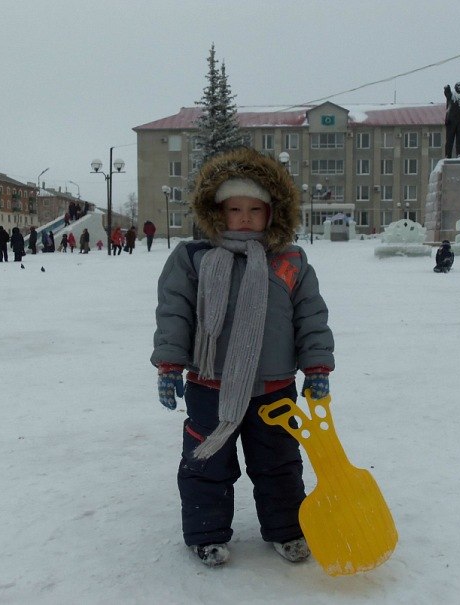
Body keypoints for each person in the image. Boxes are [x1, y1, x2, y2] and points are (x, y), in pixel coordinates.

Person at [151, 147, 335, 568]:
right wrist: (169, 364)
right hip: (209, 384)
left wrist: (318, 367)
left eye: (256, 208)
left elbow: (310, 316)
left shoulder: (289, 261)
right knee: (206, 462)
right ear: (217, 211)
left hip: (274, 385)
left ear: (273, 213)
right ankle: (206, 533)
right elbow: (174, 312)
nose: (246, 217)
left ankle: (287, 528)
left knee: (280, 463)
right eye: (235, 208)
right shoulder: (194, 259)